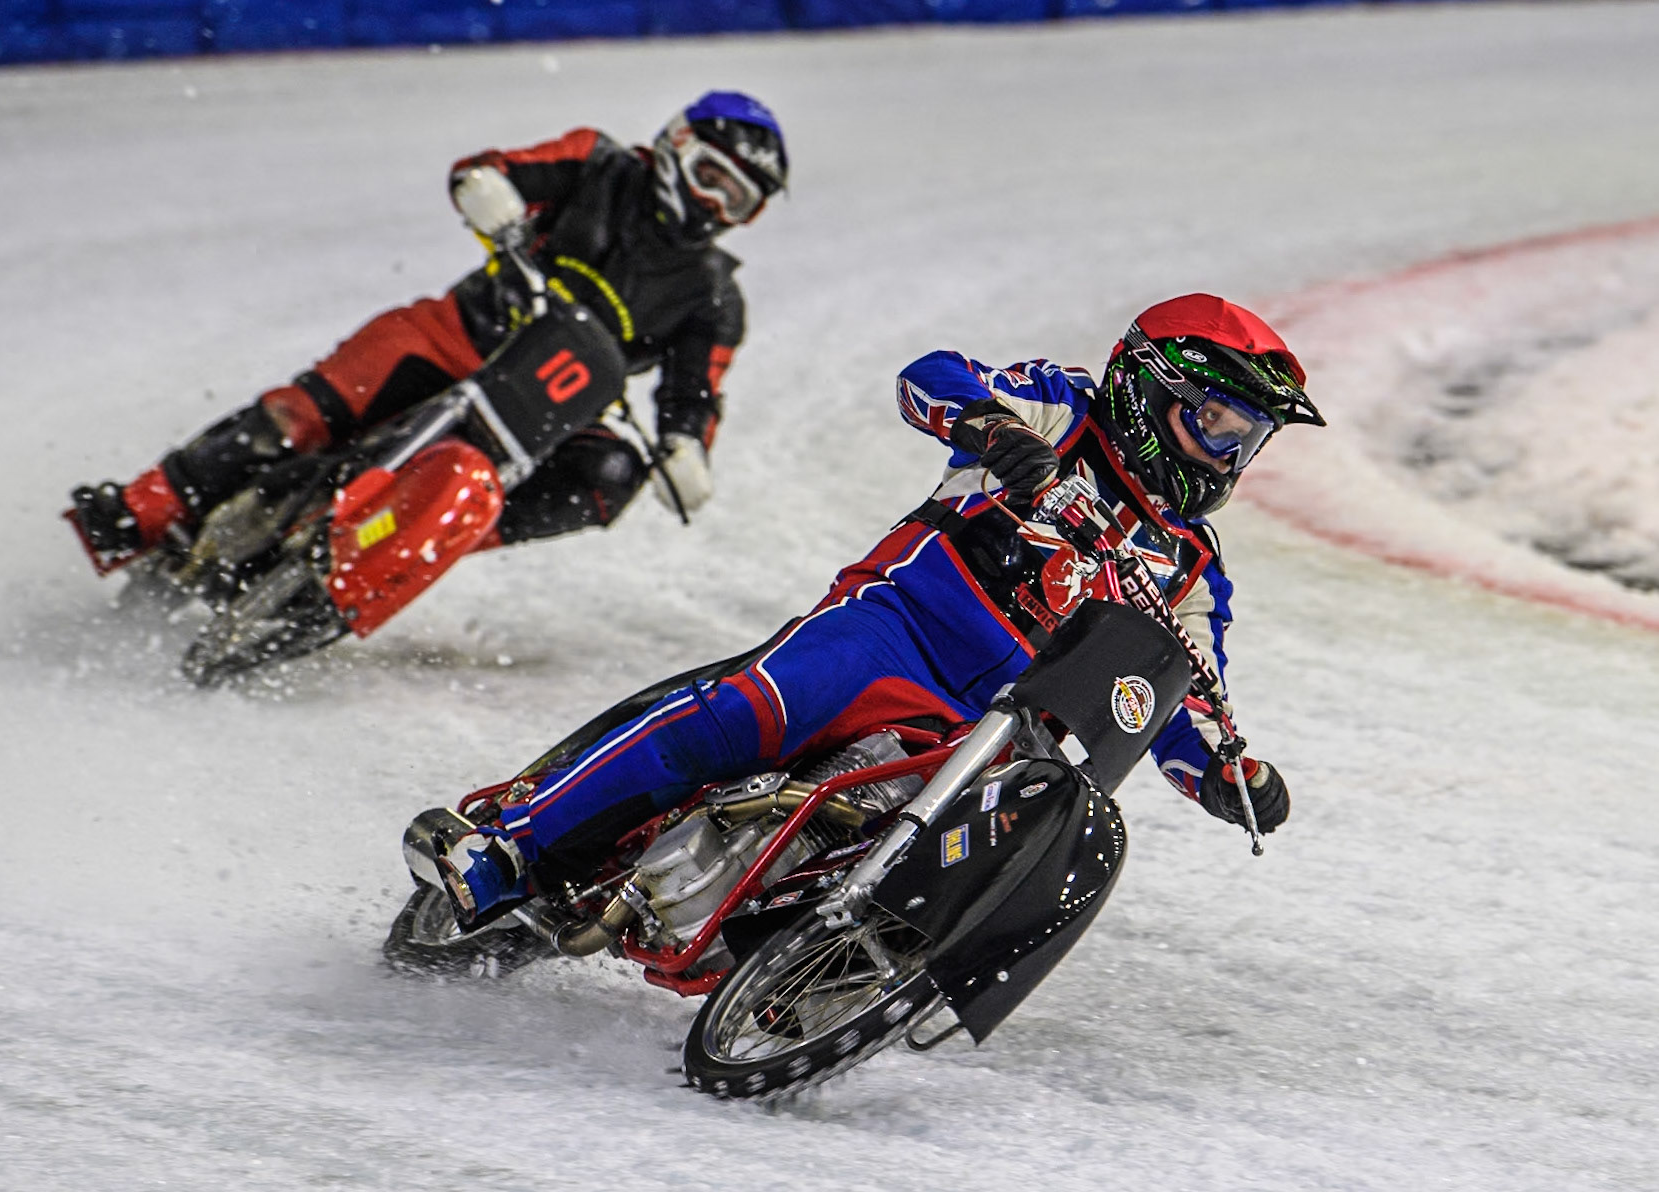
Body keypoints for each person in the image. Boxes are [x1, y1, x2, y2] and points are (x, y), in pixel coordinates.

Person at [422, 293, 1326, 922]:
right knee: (743, 715)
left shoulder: (1192, 566)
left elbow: (1178, 688)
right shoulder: (1062, 411)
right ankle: (510, 850)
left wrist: (1221, 773)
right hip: (896, 630)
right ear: (1145, 391)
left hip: (996, 726)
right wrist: (992, 429)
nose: (1225, 457)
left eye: (1245, 440)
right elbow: (929, 376)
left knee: (1004, 849)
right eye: (1214, 424)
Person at [66, 91, 789, 572]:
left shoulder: (714, 297)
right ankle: (142, 509)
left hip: (550, 410)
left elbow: (696, 392)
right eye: (708, 176)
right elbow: (496, 169)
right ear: (674, 144)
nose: (713, 205)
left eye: (736, 199)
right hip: (455, 335)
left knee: (607, 478)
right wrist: (489, 190)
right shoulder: (597, 163)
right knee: (298, 417)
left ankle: (436, 541)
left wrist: (686, 445)